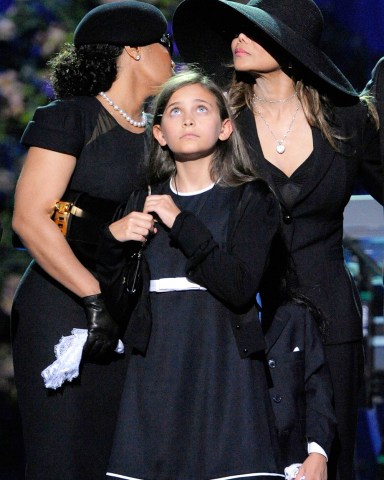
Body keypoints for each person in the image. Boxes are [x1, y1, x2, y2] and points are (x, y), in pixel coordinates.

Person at [172, 1, 383, 479]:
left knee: (330, 464)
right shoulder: (221, 122)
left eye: (255, 31)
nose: (237, 40)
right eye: (237, 30)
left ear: (292, 47)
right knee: (254, 462)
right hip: (243, 318)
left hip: (332, 322)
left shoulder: (348, 121)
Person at [96, 69, 285, 480]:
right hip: (156, 380)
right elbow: (121, 303)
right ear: (160, 132)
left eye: (201, 109)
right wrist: (111, 245)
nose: (187, 119)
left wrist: (180, 221)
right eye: (175, 111)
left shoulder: (252, 198)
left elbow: (237, 287)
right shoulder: (141, 200)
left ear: (224, 127)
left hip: (226, 377)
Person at [11, 2, 173, 479]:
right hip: (66, 306)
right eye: (166, 45)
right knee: (63, 457)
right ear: (134, 51)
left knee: (115, 461)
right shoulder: (72, 118)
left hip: (130, 312)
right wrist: (92, 295)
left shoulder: (161, 131)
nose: (173, 57)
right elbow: (30, 217)